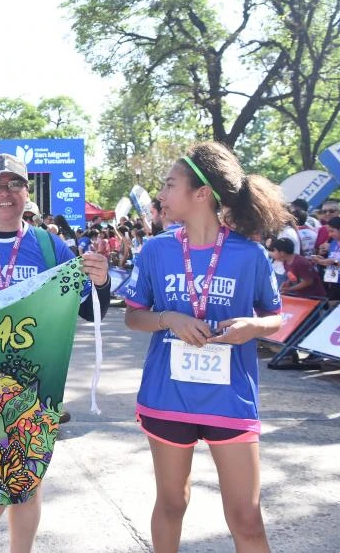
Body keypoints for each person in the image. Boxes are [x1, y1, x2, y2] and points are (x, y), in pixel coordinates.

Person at [122, 142, 288, 553]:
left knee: (247, 518)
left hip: (229, 398)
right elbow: (133, 315)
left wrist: (253, 326)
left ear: (202, 194)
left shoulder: (250, 254)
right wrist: (167, 319)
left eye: (169, 184)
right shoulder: (157, 250)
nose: (161, 194)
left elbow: (276, 316)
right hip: (167, 395)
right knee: (172, 502)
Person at [0, 154, 110, 553]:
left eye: (14, 184)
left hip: (34, 382)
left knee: (28, 480)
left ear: (26, 194)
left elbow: (87, 308)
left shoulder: (50, 247)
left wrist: (101, 283)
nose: (5, 193)